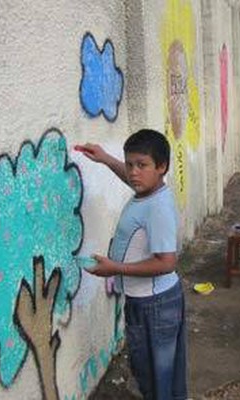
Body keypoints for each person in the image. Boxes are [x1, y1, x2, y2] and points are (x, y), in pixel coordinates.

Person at [77, 129, 187, 400]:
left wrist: (115, 268)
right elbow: (133, 179)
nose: (134, 172)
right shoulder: (149, 191)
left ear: (162, 167)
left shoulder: (158, 208)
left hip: (155, 305)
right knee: (153, 375)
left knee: (157, 379)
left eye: (142, 165)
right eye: (130, 164)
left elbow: (167, 262)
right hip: (148, 301)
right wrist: (105, 158)